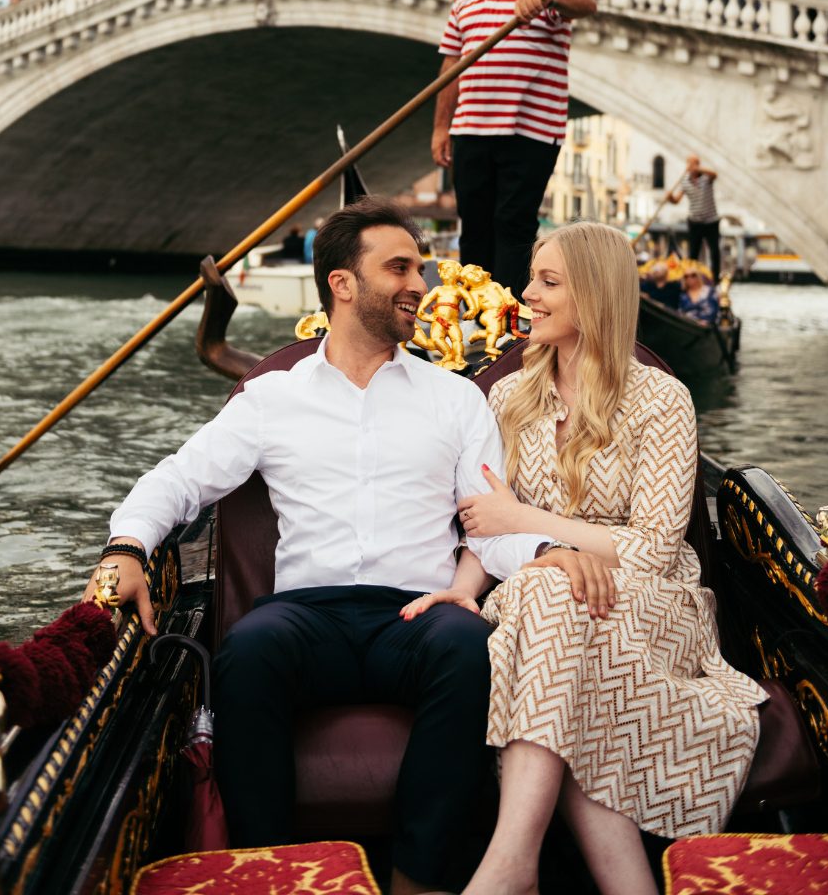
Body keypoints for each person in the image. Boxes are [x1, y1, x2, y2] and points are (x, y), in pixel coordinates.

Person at [82, 199, 609, 895]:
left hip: (415, 613)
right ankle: (272, 872)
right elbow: (179, 479)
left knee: (464, 644)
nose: (418, 283)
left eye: (418, 267)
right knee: (249, 649)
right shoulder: (272, 398)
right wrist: (126, 545)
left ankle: (417, 880)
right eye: (398, 267)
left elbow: (489, 523)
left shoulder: (454, 400)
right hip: (306, 615)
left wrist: (546, 552)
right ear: (342, 284)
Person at [403, 222, 765, 895]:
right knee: (548, 594)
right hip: (537, 586)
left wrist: (532, 523)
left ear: (594, 295)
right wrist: (464, 585)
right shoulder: (507, 397)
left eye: (547, 282)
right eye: (531, 278)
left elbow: (656, 551)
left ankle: (512, 862)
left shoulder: (661, 400)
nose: (525, 295)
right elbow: (484, 525)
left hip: (649, 602)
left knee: (553, 604)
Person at [431, 0, 597, 298]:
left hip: (531, 128)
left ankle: (509, 327)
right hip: (471, 127)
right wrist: (440, 128)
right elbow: (451, 62)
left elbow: (586, 2)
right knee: (473, 228)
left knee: (512, 226)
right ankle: (473, 318)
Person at [666, 155, 721, 283]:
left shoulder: (707, 178)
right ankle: (691, 279)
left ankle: (715, 279)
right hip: (694, 221)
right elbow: (676, 200)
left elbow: (715, 175)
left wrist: (699, 169)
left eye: (694, 164)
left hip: (711, 220)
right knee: (693, 253)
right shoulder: (685, 180)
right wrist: (670, 198)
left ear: (698, 165)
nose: (691, 166)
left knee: (714, 251)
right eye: (689, 164)